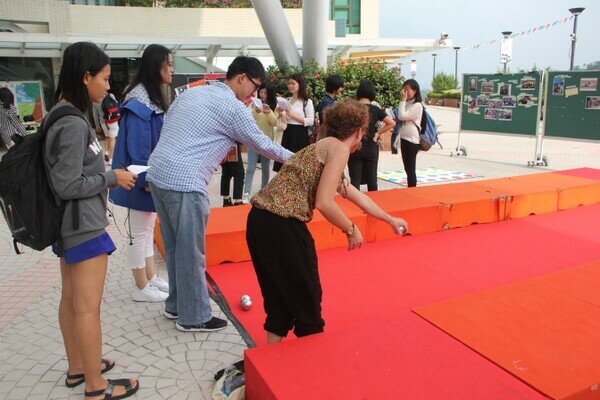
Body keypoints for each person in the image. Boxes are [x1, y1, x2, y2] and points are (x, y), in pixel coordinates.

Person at [146, 56, 293, 333]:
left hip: (158, 176)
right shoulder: (232, 107)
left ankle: (176, 305)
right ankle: (194, 317)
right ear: (241, 78)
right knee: (191, 252)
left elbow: (169, 128)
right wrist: (300, 160)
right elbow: (263, 144)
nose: (254, 93)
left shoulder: (193, 93)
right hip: (185, 183)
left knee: (176, 247)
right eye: (254, 85)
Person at [246, 99, 408, 344]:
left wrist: (390, 219)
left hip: (259, 221)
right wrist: (351, 229)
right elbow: (324, 202)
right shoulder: (338, 149)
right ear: (358, 131)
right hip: (282, 225)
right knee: (308, 302)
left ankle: (270, 363)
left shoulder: (321, 147)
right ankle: (311, 366)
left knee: (278, 299)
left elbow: (358, 197)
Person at [44, 42, 139, 399]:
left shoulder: (61, 112)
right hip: (81, 224)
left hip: (69, 224)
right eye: (104, 78)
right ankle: (96, 386)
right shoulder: (71, 123)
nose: (107, 86)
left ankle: (78, 368)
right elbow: (67, 183)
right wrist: (112, 177)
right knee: (86, 307)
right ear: (85, 77)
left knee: (72, 301)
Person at [110, 44, 174, 303]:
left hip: (146, 177)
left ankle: (149, 277)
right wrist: (147, 181)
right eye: (168, 64)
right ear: (156, 65)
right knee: (139, 231)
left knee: (146, 229)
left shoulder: (149, 97)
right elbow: (138, 150)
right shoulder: (139, 102)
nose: (171, 69)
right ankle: (140, 286)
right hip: (139, 178)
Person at [347, 80, 395, 192]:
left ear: (359, 92)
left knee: (355, 180)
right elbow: (392, 123)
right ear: (372, 93)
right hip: (371, 147)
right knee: (372, 179)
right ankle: (373, 205)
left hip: (355, 146)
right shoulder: (375, 109)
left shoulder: (352, 108)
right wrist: (377, 134)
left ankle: (354, 207)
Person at [272, 73, 314, 172]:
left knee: (299, 165)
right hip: (288, 132)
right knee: (285, 166)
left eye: (293, 83)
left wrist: (292, 114)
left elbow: (310, 121)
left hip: (300, 134)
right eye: (289, 83)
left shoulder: (307, 102)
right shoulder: (287, 100)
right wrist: (281, 113)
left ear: (300, 84)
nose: (290, 86)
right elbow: (285, 118)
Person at [243, 82, 277, 198]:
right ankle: (246, 192)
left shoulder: (274, 106)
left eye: (265, 93)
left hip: (267, 141)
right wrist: (255, 112)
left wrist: (269, 113)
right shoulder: (254, 104)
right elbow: (248, 119)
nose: (262, 95)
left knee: (265, 169)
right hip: (254, 140)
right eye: (261, 92)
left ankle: (264, 192)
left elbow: (275, 123)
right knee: (251, 167)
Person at [394, 79, 423, 188]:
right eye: (404, 90)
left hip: (412, 140)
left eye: (407, 90)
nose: (405, 93)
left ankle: (412, 189)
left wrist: (402, 100)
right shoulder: (407, 103)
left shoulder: (417, 105)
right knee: (407, 167)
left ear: (414, 91)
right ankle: (410, 188)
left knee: (410, 168)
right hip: (404, 139)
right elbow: (400, 115)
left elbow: (402, 116)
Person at [220, 141, 245, 206]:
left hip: (222, 146)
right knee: (239, 173)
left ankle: (226, 199)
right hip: (232, 145)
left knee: (226, 172)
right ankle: (238, 200)